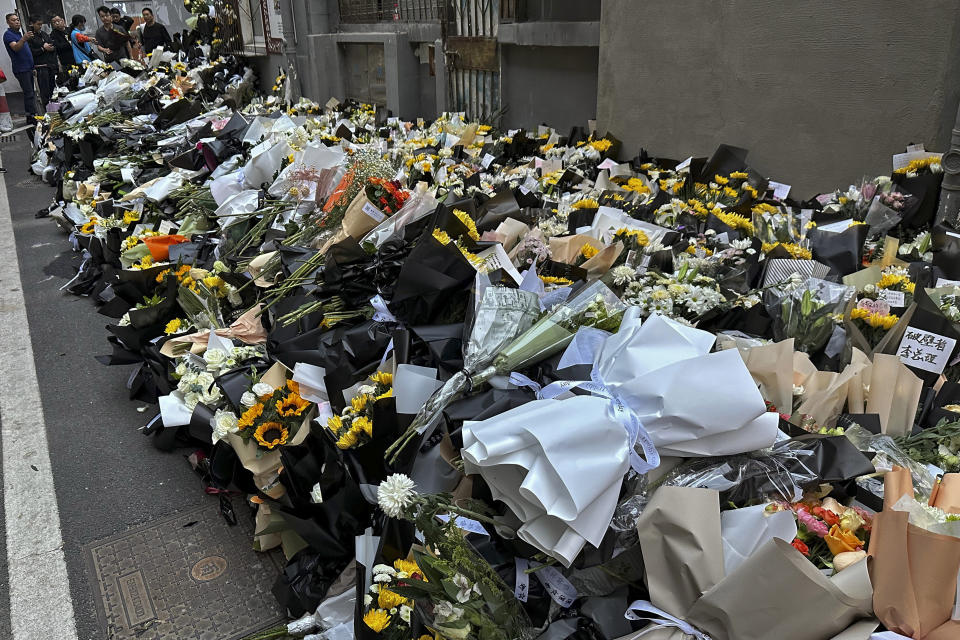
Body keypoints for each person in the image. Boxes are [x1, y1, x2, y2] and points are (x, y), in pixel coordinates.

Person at [2, 13, 36, 123]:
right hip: (21, 69)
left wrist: (32, 66)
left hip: (28, 68)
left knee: (31, 93)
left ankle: (33, 114)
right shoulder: (8, 35)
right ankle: (31, 117)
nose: (17, 22)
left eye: (17, 19)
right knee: (29, 93)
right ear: (8, 22)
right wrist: (24, 39)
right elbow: (15, 48)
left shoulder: (19, 34)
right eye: (13, 20)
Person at [27, 16, 57, 111]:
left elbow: (52, 44)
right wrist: (43, 48)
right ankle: (47, 111)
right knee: (45, 92)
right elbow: (31, 52)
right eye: (38, 24)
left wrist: (51, 48)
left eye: (41, 24)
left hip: (50, 65)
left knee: (53, 90)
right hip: (40, 67)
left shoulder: (43, 34)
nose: (40, 26)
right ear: (32, 23)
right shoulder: (29, 36)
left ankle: (54, 109)